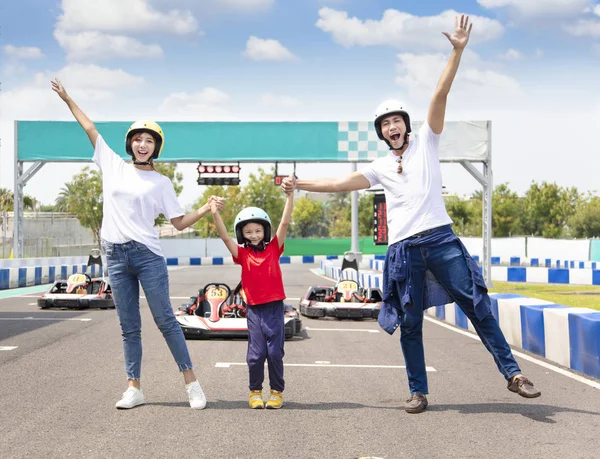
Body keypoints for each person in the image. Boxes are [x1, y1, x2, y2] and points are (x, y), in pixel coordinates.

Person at [282, 15, 540, 414]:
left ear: (406, 124)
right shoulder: (380, 166)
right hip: (404, 251)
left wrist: (456, 52)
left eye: (397, 120)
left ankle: (514, 374)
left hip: (441, 240)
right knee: (410, 321)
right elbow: (338, 184)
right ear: (382, 133)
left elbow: (439, 96)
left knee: (477, 305)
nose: (393, 127)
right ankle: (418, 391)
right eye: (386, 124)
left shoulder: (428, 143)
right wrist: (301, 185)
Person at [51, 78, 224, 410]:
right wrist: (67, 98)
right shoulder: (112, 164)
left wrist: (203, 209)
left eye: (149, 141)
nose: (142, 145)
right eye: (137, 139)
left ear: (156, 148)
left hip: (147, 257)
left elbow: (177, 222)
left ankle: (192, 385)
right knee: (129, 327)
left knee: (165, 322)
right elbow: (89, 127)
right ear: (130, 144)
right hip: (114, 256)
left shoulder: (161, 183)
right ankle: (134, 388)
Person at [210, 181, 294, 409]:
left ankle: (276, 392)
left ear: (265, 230)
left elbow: (285, 222)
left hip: (274, 307)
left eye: (258, 230)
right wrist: (215, 213)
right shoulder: (242, 254)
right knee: (256, 355)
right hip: (254, 309)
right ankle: (255, 391)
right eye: (248, 232)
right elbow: (225, 238)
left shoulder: (274, 247)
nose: (254, 235)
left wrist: (290, 196)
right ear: (242, 234)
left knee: (275, 352)